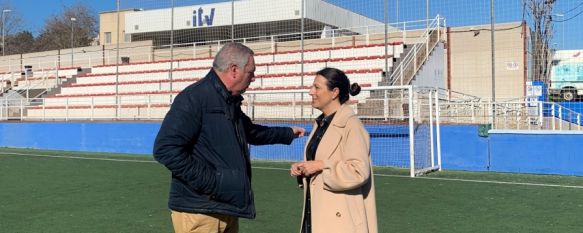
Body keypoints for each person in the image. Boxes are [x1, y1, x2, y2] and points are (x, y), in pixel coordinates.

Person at [154, 42, 305, 233]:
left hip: (224, 206)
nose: (253, 78)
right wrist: (212, 183)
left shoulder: (227, 100)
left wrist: (288, 133)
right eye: (251, 72)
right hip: (200, 210)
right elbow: (165, 149)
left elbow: (250, 131)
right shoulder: (194, 98)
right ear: (234, 70)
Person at [290, 67, 377, 233]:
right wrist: (304, 169)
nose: (310, 92)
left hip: (340, 221)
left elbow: (358, 171)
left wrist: (320, 165)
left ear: (334, 92)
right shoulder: (321, 124)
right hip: (315, 214)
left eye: (317, 87)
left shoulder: (351, 125)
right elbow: (319, 164)